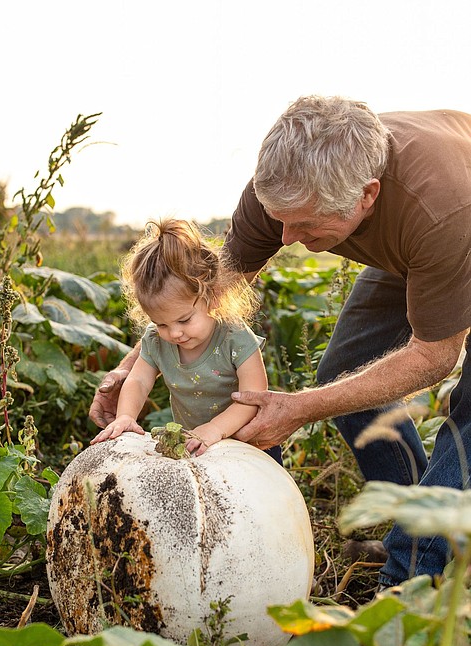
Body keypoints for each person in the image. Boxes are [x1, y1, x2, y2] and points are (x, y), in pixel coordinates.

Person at [90, 95, 471, 588]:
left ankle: (410, 582)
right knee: (344, 372)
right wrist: (127, 369)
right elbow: (205, 295)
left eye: (307, 223)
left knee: (469, 419)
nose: (286, 236)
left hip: (455, 228)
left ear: (367, 195)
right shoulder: (283, 187)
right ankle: (415, 522)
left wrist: (300, 407)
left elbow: (435, 357)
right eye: (279, 217)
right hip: (420, 252)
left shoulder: (440, 210)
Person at [90, 219, 270, 457]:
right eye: (161, 323)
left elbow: (253, 398)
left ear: (213, 296)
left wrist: (214, 429)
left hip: (249, 447)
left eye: (184, 320)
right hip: (195, 446)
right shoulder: (156, 340)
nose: (174, 333)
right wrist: (125, 417)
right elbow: (138, 381)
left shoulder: (235, 338)